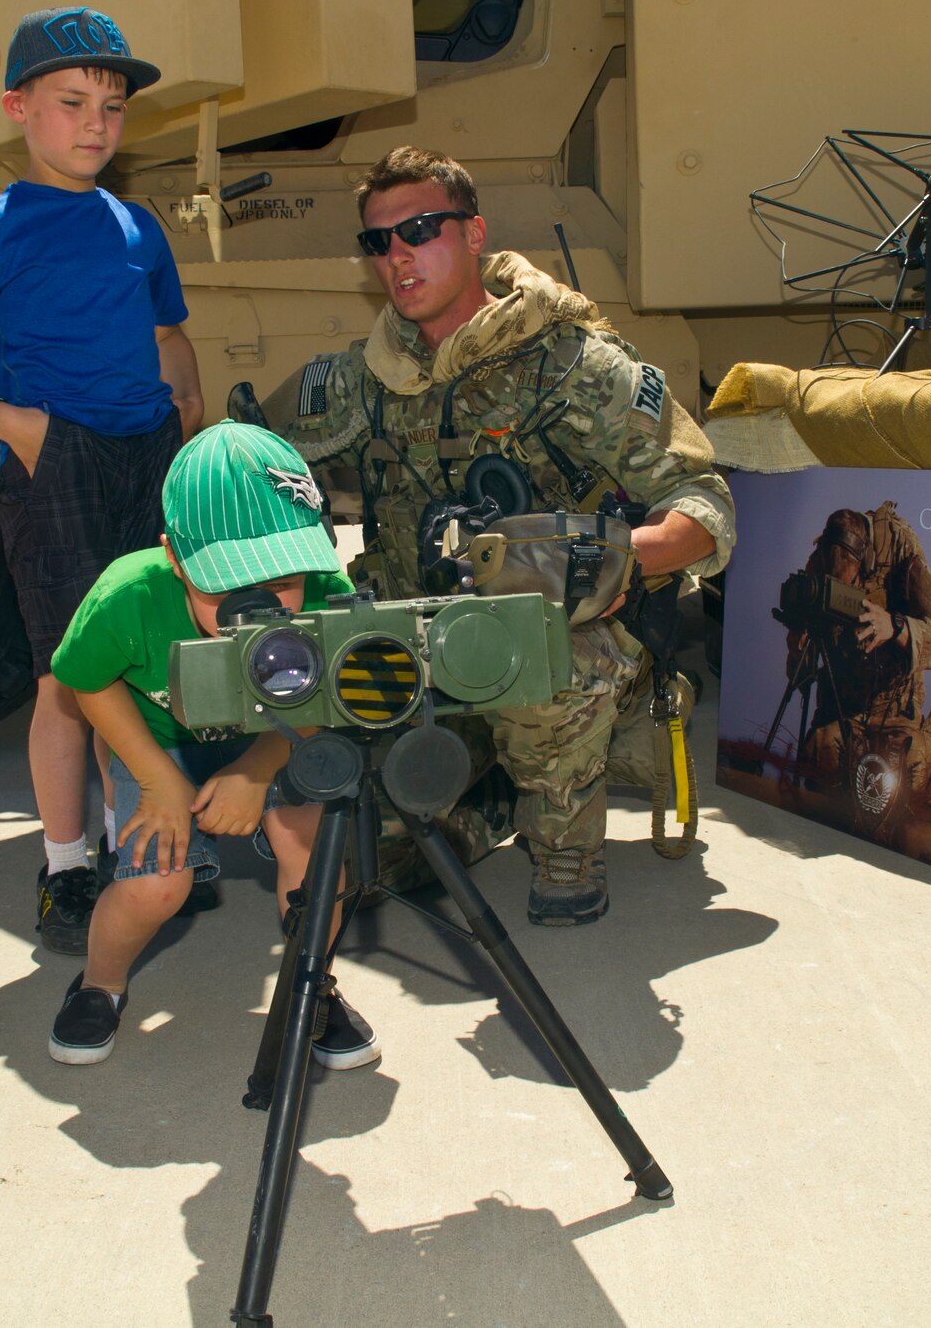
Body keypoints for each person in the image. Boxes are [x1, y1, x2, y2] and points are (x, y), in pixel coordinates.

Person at [279, 145, 735, 927]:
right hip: (418, 649)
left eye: (421, 229)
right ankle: (483, 804)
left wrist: (617, 564)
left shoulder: (574, 368)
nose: (399, 256)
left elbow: (704, 502)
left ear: (475, 233)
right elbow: (257, 463)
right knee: (366, 858)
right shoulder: (361, 382)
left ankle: (564, 840)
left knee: (545, 676)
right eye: (379, 242)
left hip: (552, 648)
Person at [0, 5, 204, 958]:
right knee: (68, 680)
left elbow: (169, 340)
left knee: (154, 662)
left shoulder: (137, 226)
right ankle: (66, 865)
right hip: (54, 458)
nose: (95, 125)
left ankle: (141, 844)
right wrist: (6, 421)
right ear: (17, 108)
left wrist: (188, 451)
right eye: (71, 103)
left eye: (112, 107)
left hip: (148, 453)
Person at [44, 421, 377, 1068]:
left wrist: (257, 769)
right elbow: (86, 684)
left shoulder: (328, 595)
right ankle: (99, 983)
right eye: (227, 583)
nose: (257, 604)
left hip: (277, 731)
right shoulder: (128, 595)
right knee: (154, 884)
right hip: (158, 742)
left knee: (313, 853)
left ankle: (313, 985)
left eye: (281, 579)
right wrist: (156, 781)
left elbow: (324, 703)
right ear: (174, 557)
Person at [785, 504, 931, 817]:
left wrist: (896, 627)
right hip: (842, 707)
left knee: (903, 790)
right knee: (822, 760)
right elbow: (800, 679)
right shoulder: (819, 566)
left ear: (867, 560)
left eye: (854, 582)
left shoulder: (900, 548)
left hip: (895, 710)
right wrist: (797, 649)